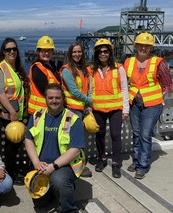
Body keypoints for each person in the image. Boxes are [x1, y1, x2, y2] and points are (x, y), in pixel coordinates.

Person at [25, 83, 85, 213]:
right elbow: (28, 140)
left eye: (57, 98)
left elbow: (75, 150)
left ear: (63, 98)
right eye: (50, 97)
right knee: (41, 204)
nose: (54, 101)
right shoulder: (37, 115)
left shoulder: (74, 120)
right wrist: (36, 162)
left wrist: (53, 167)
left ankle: (69, 209)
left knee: (59, 181)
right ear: (45, 98)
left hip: (64, 166)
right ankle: (58, 190)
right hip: (41, 165)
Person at [124, 32, 173, 179]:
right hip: (134, 103)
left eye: (147, 46)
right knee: (136, 133)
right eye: (140, 45)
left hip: (152, 105)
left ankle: (142, 165)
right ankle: (137, 160)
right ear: (135, 46)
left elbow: (168, 84)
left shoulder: (158, 62)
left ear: (151, 48)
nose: (143, 48)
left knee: (145, 135)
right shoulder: (129, 62)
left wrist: (160, 97)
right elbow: (123, 82)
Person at [87, 39, 129, 178]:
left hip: (115, 108)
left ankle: (116, 163)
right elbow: (89, 90)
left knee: (116, 135)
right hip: (98, 108)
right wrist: (89, 107)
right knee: (99, 135)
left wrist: (125, 109)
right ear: (96, 54)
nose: (103, 54)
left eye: (105, 51)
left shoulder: (119, 68)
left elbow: (124, 89)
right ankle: (102, 159)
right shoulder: (91, 70)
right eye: (100, 51)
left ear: (110, 53)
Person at [0, 37, 29, 185]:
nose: (12, 52)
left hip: (17, 114)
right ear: (3, 52)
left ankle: (13, 172)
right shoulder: (1, 69)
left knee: (16, 145)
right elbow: (0, 93)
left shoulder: (16, 68)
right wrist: (12, 112)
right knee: (10, 147)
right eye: (8, 50)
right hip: (8, 115)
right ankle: (11, 174)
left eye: (14, 49)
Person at [60, 42, 92, 177]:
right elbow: (73, 91)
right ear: (70, 54)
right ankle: (77, 166)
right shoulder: (67, 70)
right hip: (72, 109)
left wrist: (88, 104)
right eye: (74, 52)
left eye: (79, 52)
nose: (77, 54)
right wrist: (90, 101)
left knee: (79, 138)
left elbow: (88, 88)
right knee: (73, 140)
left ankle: (79, 163)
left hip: (81, 108)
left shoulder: (84, 69)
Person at [28, 35, 61, 114]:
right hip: (39, 111)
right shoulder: (37, 68)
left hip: (50, 109)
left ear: (52, 52)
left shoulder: (51, 66)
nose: (46, 53)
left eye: (49, 51)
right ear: (38, 52)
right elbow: (46, 90)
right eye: (43, 51)